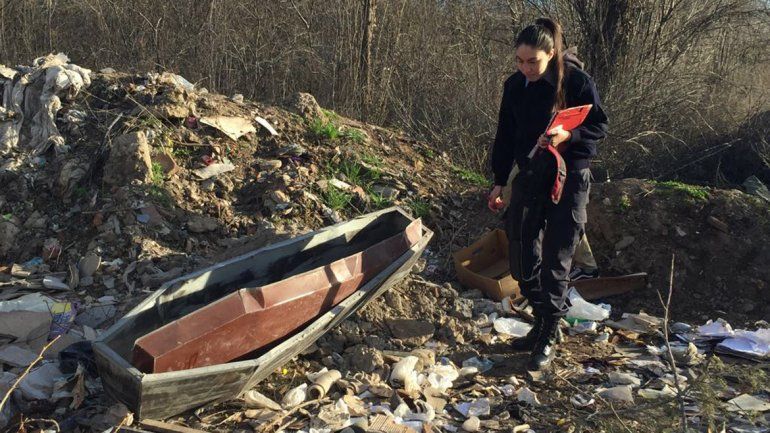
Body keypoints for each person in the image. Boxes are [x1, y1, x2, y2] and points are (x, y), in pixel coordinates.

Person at [487, 17, 608, 371]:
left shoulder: (576, 82)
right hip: (529, 175)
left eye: (533, 62)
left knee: (557, 255)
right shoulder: (515, 86)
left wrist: (568, 136)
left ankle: (549, 332)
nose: (526, 68)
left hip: (570, 176)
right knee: (522, 254)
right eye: (519, 61)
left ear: (551, 53)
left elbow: (599, 124)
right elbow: (505, 134)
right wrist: (499, 180)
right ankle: (542, 320)